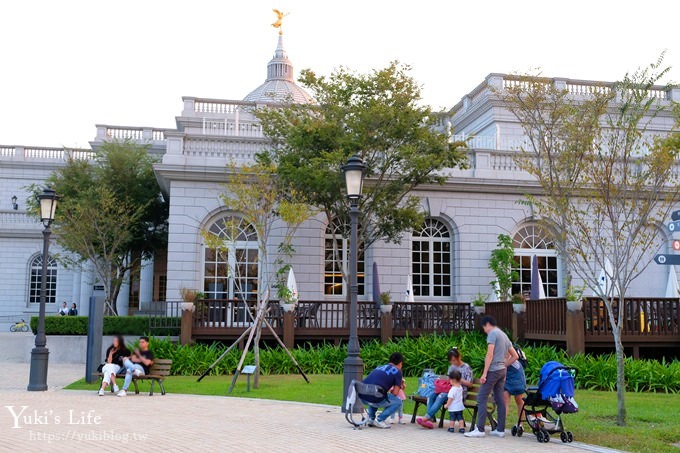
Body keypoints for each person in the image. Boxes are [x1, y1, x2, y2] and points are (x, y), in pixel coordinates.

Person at [465, 316, 518, 438]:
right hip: (502, 371)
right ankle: (500, 430)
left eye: (484, 327)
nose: (484, 330)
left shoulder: (492, 334)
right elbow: (515, 356)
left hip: (493, 370)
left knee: (481, 397)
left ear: (487, 324)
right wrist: (504, 365)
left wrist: (484, 373)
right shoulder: (503, 335)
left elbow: (489, 354)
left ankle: (480, 429)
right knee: (500, 400)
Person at [417, 347, 474, 429]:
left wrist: (458, 379)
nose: (453, 363)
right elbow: (448, 380)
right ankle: (429, 420)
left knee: (441, 396)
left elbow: (470, 384)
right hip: (449, 389)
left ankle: (426, 418)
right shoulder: (451, 367)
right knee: (432, 395)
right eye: (451, 361)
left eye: (454, 360)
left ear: (459, 357)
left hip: (458, 393)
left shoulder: (466, 368)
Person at [359, 352, 405, 429]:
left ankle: (371, 418)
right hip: (375, 398)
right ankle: (380, 420)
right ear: (400, 363)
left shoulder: (379, 367)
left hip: (362, 395)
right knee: (398, 401)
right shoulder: (398, 371)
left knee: (375, 392)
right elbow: (395, 393)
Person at [505, 347, 527, 429]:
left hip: (517, 377)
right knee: (505, 401)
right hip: (508, 377)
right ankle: (501, 423)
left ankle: (520, 424)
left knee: (519, 401)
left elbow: (504, 363)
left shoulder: (507, 347)